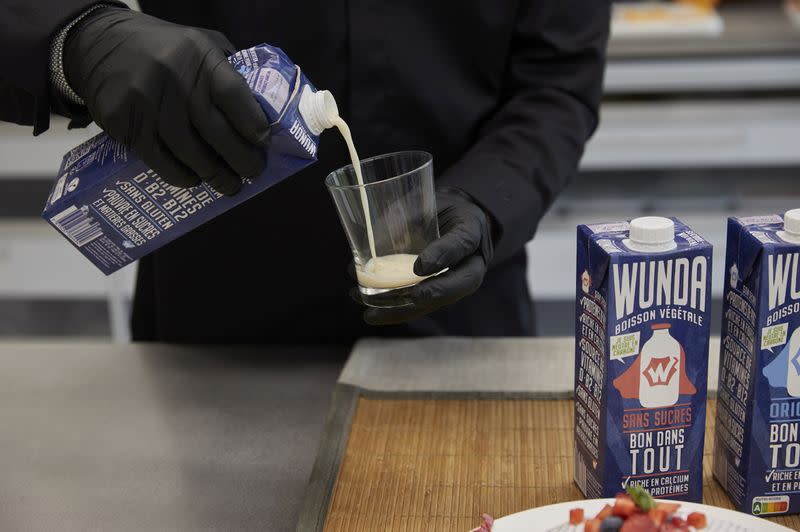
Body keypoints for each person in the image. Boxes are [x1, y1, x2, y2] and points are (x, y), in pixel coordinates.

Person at [0, 1, 610, 343]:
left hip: (456, 318)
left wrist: (485, 199)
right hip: (216, 325)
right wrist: (74, 39)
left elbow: (555, 85)